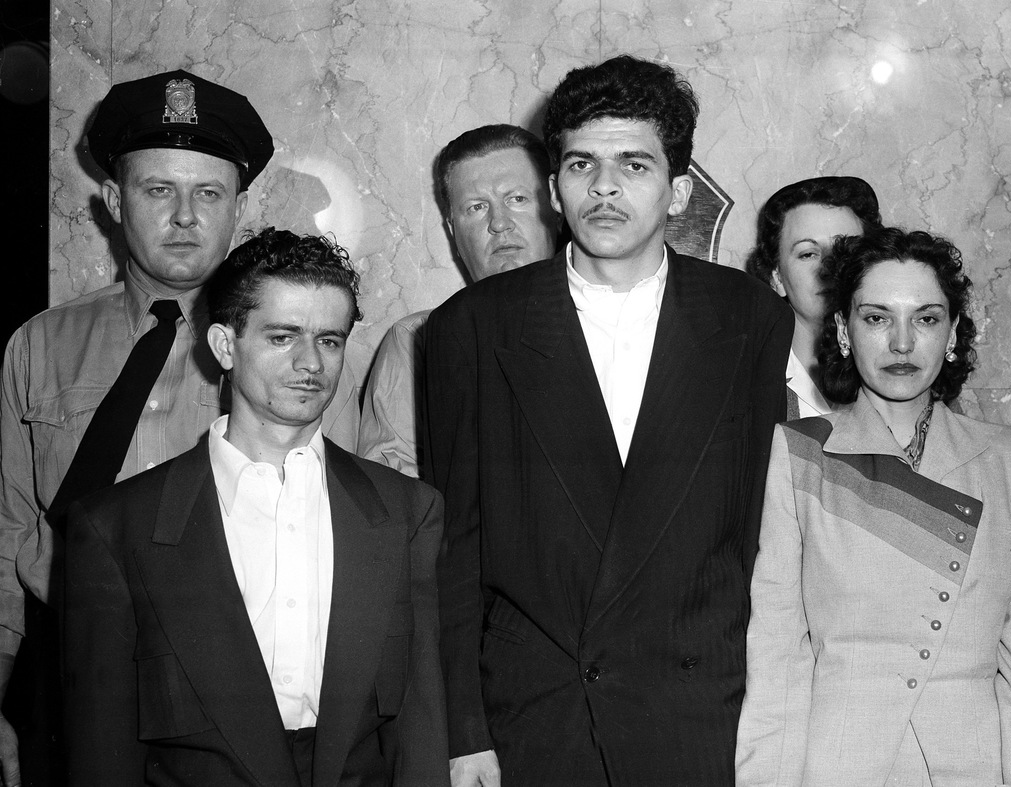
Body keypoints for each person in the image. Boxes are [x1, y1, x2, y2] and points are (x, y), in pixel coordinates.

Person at [424, 55, 792, 785]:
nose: (605, 187)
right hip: (538, 720)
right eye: (581, 164)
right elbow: (452, 548)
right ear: (553, 190)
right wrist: (463, 733)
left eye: (634, 164)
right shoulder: (471, 327)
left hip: (699, 716)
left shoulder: (749, 317)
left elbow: (761, 533)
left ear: (678, 191)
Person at [64, 228, 449, 786]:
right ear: (225, 346)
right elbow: (101, 752)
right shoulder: (116, 528)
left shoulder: (408, 512)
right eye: (282, 337)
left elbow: (421, 726)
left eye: (329, 340)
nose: (310, 362)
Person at [0, 69, 280, 786]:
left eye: (208, 193)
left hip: (234, 678)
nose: (184, 216)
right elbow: (8, 533)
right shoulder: (39, 345)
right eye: (158, 190)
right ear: (115, 200)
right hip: (67, 675)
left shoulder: (286, 349)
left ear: (241, 208)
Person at [736, 227, 1011, 785]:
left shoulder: (1007, 458)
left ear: (952, 334)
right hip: (841, 768)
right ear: (844, 331)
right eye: (877, 318)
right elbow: (777, 658)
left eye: (927, 319)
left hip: (972, 768)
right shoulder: (800, 453)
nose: (903, 343)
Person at [358, 124, 562, 477]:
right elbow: (392, 492)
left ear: (557, 210)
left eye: (517, 199)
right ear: (453, 230)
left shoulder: (613, 318)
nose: (499, 223)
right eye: (477, 207)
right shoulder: (416, 341)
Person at [745, 176, 882, 419]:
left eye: (846, 250)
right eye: (808, 254)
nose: (829, 268)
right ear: (776, 277)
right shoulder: (745, 383)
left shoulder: (907, 372)